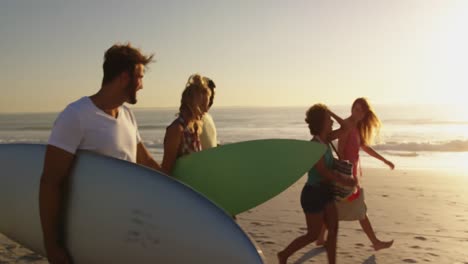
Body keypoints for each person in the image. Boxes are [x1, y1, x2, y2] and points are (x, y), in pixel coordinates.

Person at [39, 43, 161, 264]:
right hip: (90, 233)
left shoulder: (127, 116)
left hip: (126, 228)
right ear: (124, 78)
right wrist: (52, 245)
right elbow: (50, 181)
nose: (142, 85)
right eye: (140, 77)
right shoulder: (76, 116)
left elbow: (145, 161)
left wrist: (182, 190)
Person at [277, 104, 356, 264]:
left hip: (326, 192)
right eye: (328, 119)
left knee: (333, 229)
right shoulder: (314, 145)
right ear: (321, 122)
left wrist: (330, 112)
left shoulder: (326, 139)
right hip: (313, 194)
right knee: (313, 234)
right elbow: (323, 171)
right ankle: (284, 254)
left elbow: (347, 127)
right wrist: (345, 180)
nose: (332, 122)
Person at [316, 97, 394, 251]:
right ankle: (375, 242)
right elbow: (342, 152)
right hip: (346, 175)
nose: (356, 112)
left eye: (360, 110)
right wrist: (346, 177)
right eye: (355, 109)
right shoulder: (348, 126)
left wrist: (384, 160)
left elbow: (364, 147)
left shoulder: (356, 127)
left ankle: (319, 238)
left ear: (364, 114)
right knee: (360, 210)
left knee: (336, 207)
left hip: (349, 174)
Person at [160, 74, 211, 174]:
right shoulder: (176, 130)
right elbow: (165, 171)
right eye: (202, 106)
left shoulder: (195, 128)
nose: (206, 111)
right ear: (192, 104)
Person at [199, 77, 218, 149]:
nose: (212, 100)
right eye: (210, 96)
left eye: (213, 95)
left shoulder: (208, 118)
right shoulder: (191, 121)